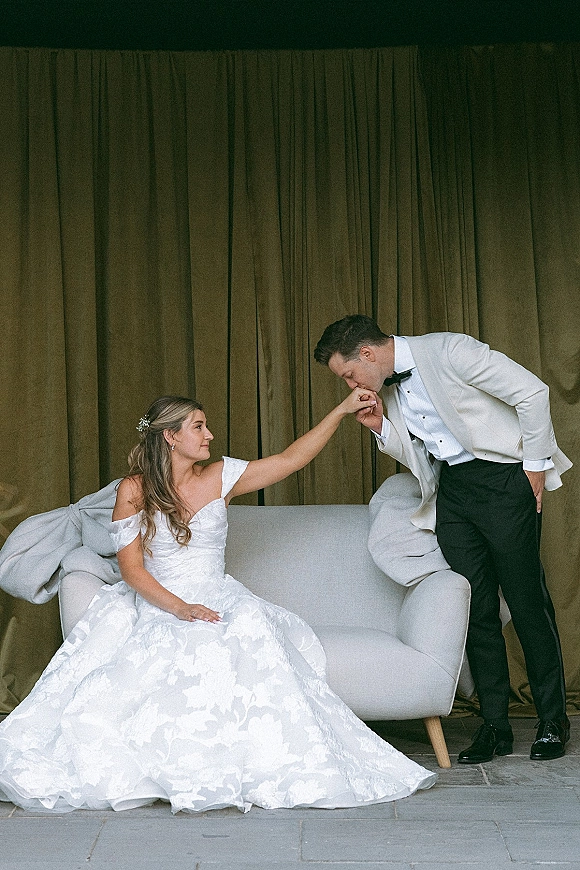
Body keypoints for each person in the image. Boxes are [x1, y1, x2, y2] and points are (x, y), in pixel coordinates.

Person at [0, 392, 436, 814]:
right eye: (198, 427)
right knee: (143, 666)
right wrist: (179, 608)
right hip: (158, 599)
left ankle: (248, 766)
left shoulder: (222, 475)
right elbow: (132, 570)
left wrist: (341, 411)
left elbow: (290, 459)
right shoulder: (134, 489)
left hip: (218, 594)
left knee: (244, 633)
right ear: (171, 436)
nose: (209, 435)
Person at [314, 314, 572, 764]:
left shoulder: (451, 350)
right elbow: (417, 450)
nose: (350, 384)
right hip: (451, 492)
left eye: (349, 373)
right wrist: (379, 426)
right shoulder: (387, 387)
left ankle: (553, 721)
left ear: (368, 354)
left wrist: (533, 465)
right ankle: (495, 727)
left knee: (527, 600)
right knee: (474, 607)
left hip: (503, 481)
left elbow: (533, 392)